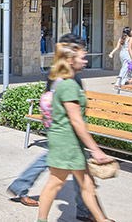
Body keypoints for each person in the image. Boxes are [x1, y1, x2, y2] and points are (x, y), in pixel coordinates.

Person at [7, 34, 100, 220]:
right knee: (64, 175)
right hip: (65, 134)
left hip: (59, 130)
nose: (85, 53)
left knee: (69, 177)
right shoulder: (68, 80)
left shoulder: (58, 73)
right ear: (71, 53)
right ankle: (86, 211)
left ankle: (85, 210)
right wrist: (95, 148)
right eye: (82, 49)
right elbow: (74, 117)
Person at [37, 43, 115, 222]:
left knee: (86, 185)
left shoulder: (62, 82)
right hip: (67, 142)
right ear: (71, 61)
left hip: (67, 141)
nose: (85, 61)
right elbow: (76, 120)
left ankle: (100, 219)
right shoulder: (69, 85)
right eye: (82, 58)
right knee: (56, 183)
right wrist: (95, 149)